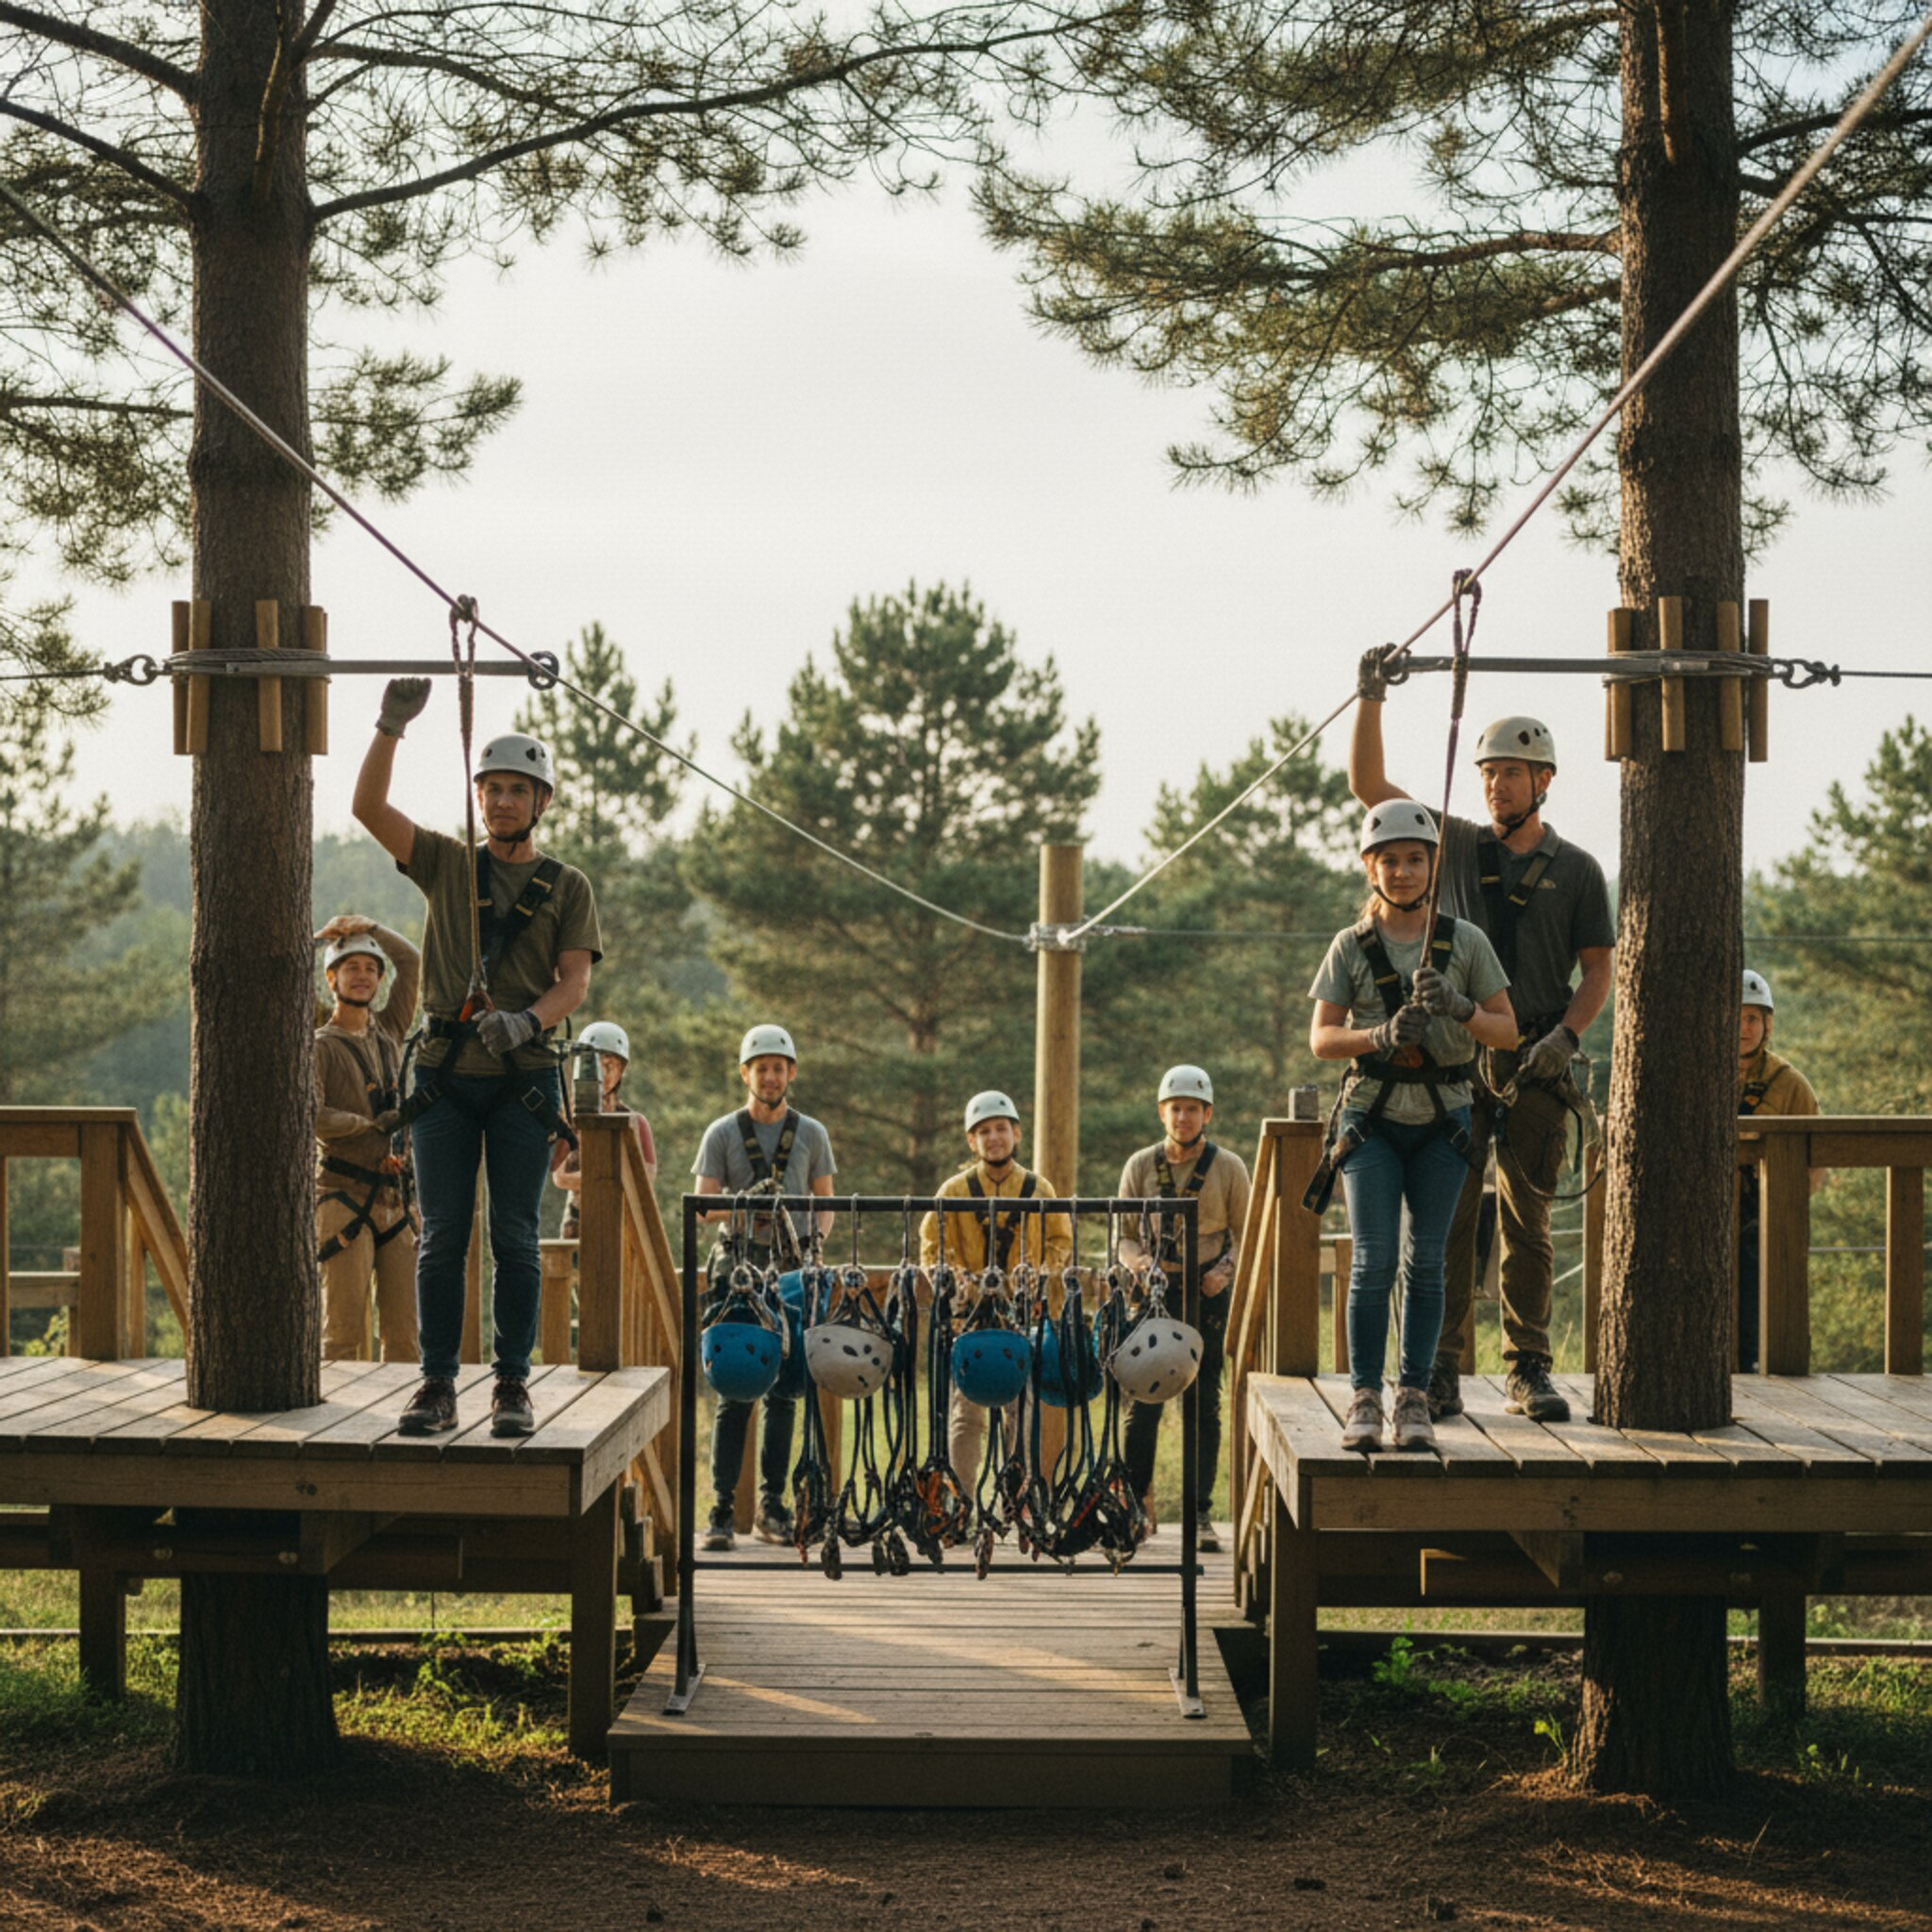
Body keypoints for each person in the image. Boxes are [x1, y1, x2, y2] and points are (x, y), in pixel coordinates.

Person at [1353, 667, 1616, 1422]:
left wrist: (1567, 1037)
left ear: (1545, 782)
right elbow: (1371, 784)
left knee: (1528, 1220)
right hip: (1460, 1060)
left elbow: (1598, 970)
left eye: (1512, 774)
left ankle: (1528, 1366)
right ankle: (1438, 1369)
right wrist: (1372, 694)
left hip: (1537, 1056)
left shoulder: (1578, 872)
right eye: (1490, 773)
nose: (1496, 785)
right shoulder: (1458, 848)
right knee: (1450, 1221)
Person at [354, 679, 600, 1438]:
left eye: (516, 791)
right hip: (446, 1077)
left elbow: (575, 981)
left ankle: (513, 1386)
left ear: (542, 802)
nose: (499, 802)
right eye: (490, 789)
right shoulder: (444, 865)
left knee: (516, 1237)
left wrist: (527, 1022)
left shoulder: (566, 886)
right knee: (445, 1235)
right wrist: (390, 728)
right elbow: (369, 809)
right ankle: (436, 1384)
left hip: (521, 1082)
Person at [1309, 803, 1516, 1452]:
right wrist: (1377, 1033)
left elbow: (1506, 1029)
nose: (1402, 872)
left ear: (1433, 867)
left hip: (1443, 1120)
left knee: (1427, 1264)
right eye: (1390, 861)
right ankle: (1366, 1396)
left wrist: (1459, 1007)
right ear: (1371, 868)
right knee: (1373, 1263)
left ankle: (1416, 1393)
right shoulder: (1351, 946)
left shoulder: (1464, 942)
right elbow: (1321, 1038)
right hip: (1370, 1118)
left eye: (1415, 860)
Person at [692, 1024, 837, 1550]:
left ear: (790, 1074)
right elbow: (704, 1205)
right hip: (741, 1272)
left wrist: (811, 1252)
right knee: (734, 1388)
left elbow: (825, 1204)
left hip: (795, 1272)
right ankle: (722, 1508)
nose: (771, 1077)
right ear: (746, 1074)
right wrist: (751, 1204)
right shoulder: (723, 1134)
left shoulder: (812, 1134)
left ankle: (772, 1506)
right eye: (762, 1068)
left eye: (779, 1068)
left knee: (785, 1392)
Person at [1116, 1065, 1251, 1551]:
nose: (1184, 1117)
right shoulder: (1139, 1166)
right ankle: (1133, 1507)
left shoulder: (1229, 1167)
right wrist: (1140, 1265)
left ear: (1207, 1114)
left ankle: (1199, 1515)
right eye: (1176, 1108)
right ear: (1161, 1113)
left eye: (1192, 1109)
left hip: (1206, 1294)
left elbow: (1249, 1232)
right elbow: (1124, 1237)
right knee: (1142, 1402)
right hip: (1153, 1294)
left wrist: (1225, 1272)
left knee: (1203, 1405)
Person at [920, 1091, 1074, 1488]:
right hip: (969, 1317)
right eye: (984, 1132)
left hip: (1021, 1314)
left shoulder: (1040, 1191)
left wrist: (1040, 1273)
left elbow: (1061, 1241)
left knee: (1020, 1411)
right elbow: (932, 1248)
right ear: (972, 1142)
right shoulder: (952, 1192)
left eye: (1001, 1129)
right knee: (966, 1412)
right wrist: (955, 1277)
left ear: (1016, 1134)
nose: (994, 1138)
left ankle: (1016, 1501)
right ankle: (961, 1501)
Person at [313, 918, 422, 1363]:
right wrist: (371, 1126)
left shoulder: (389, 1033)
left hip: (394, 1201)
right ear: (331, 978)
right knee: (341, 1334)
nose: (362, 976)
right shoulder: (321, 1046)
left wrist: (372, 926)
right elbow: (313, 1116)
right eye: (350, 966)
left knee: (404, 1340)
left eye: (370, 968)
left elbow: (411, 961)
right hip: (343, 1197)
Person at [1737, 969, 1824, 1373]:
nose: (1744, 1028)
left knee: (1761, 1291)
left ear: (1767, 1024)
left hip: (1764, 1219)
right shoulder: (1701, 1076)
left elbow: (1815, 1158)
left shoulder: (1789, 1085)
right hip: (1706, 1214)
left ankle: (1755, 1362)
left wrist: (1783, 1207)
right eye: (1736, 1017)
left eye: (1753, 1018)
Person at [552, 1020, 658, 1238]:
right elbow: (560, 1177)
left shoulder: (634, 1123)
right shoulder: (569, 1122)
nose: (603, 1074)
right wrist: (612, 1178)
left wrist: (593, 1180)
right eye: (595, 1065)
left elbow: (645, 1178)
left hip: (621, 1222)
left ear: (621, 1072)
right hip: (576, 1224)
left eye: (610, 1066)